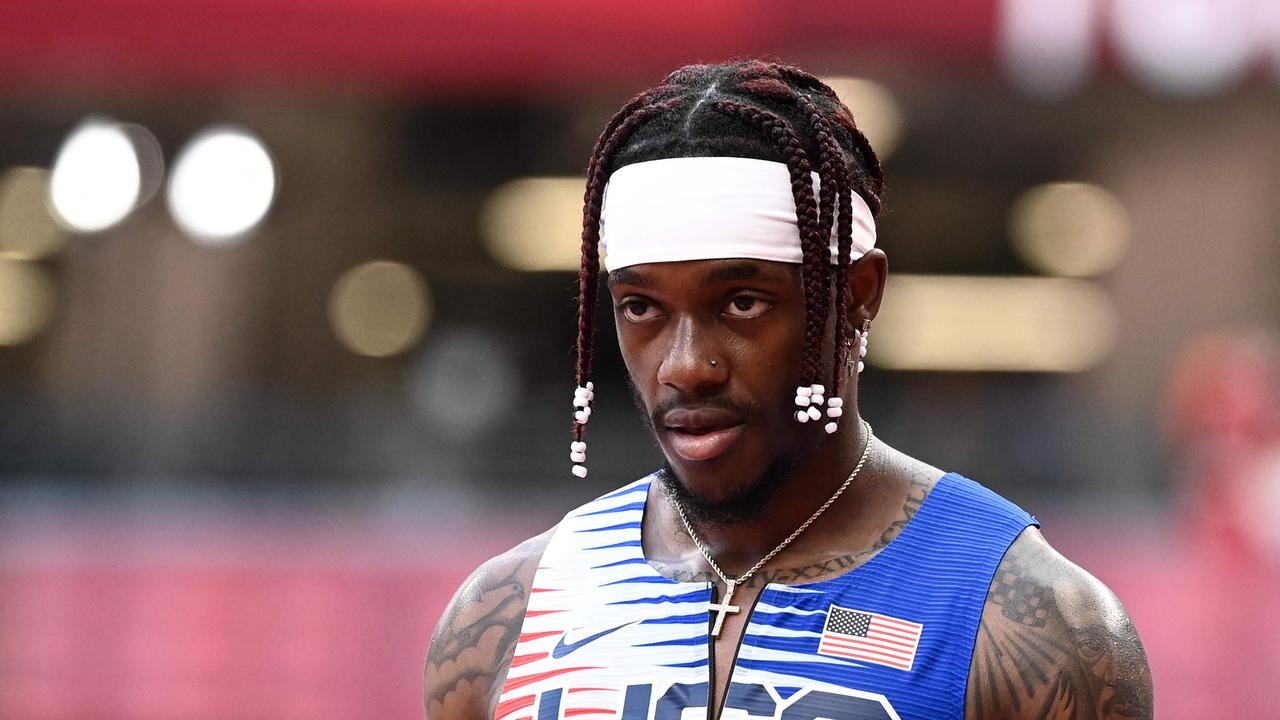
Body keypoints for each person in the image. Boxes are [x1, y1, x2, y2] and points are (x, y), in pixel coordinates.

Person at [425, 61, 1152, 720]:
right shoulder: (505, 617)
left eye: (742, 302)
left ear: (859, 296)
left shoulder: (1033, 624)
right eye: (642, 307)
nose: (685, 366)